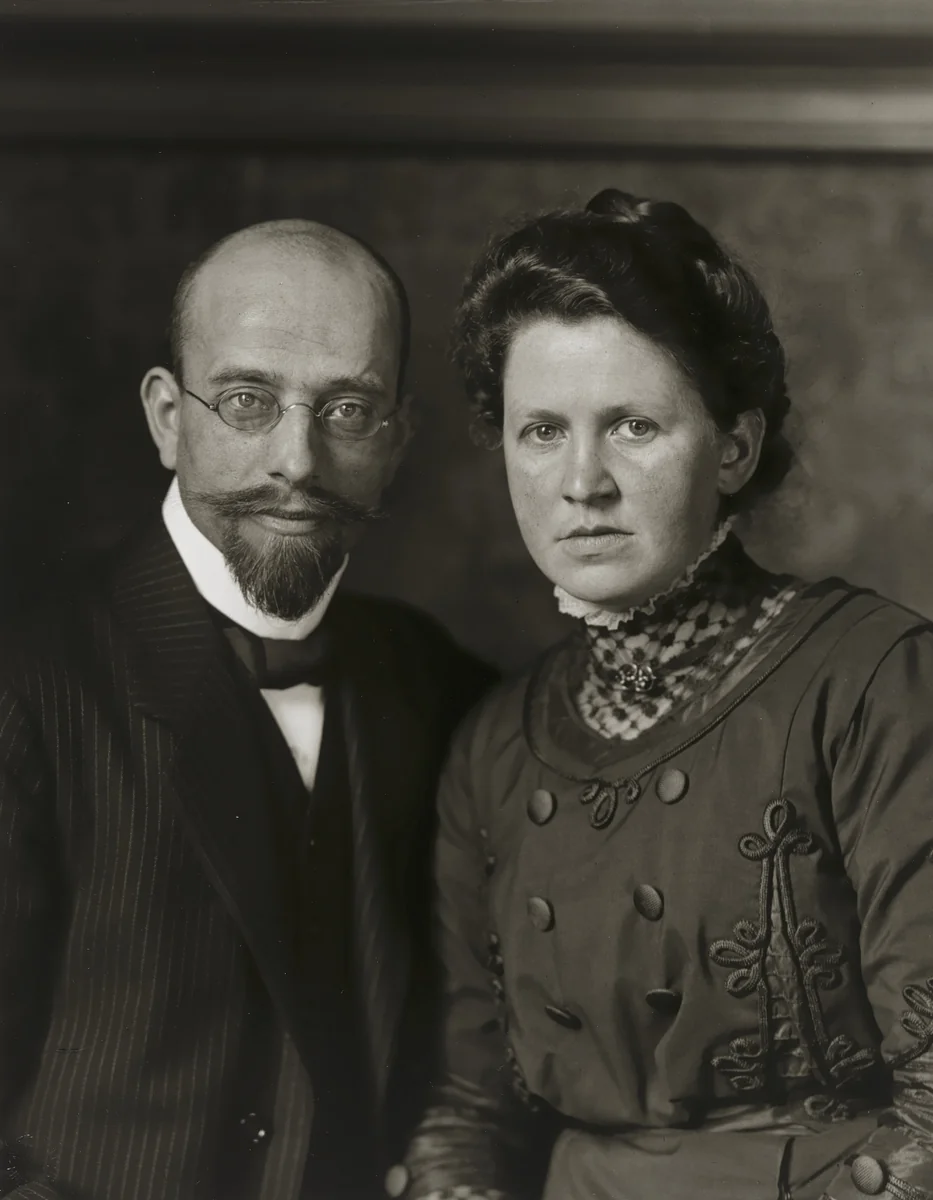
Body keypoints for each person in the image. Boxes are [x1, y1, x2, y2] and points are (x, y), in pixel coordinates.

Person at [392, 190, 933, 1200]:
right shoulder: (493, 749)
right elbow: (471, 1108)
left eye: (633, 425)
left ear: (732, 448)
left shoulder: (873, 681)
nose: (581, 480)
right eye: (541, 431)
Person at [0, 219, 493, 1200]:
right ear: (165, 417)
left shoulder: (442, 688)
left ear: (398, 440)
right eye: (246, 401)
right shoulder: (25, 687)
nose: (298, 461)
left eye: (348, 409)